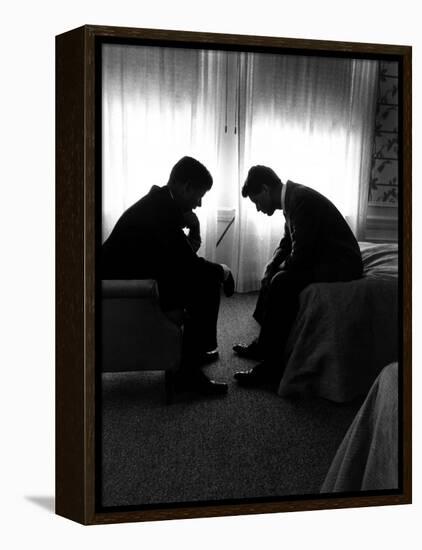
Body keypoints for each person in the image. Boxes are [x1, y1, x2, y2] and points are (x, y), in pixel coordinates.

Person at [102, 156, 235, 397]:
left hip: (137, 277)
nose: (200, 204)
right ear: (186, 187)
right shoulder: (161, 212)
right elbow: (188, 264)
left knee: (202, 278)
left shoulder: (161, 204)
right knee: (206, 283)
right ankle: (188, 378)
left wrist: (193, 231)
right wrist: (223, 271)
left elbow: (178, 258)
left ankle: (196, 352)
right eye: (200, 195)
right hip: (124, 289)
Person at [233, 165, 363, 388]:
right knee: (273, 274)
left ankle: (272, 369)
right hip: (323, 255)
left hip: (341, 263)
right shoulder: (292, 199)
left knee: (282, 282)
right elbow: (288, 243)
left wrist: (279, 271)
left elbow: (301, 253)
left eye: (256, 202)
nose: (257, 209)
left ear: (265, 189)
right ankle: (264, 345)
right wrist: (271, 266)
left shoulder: (301, 200)